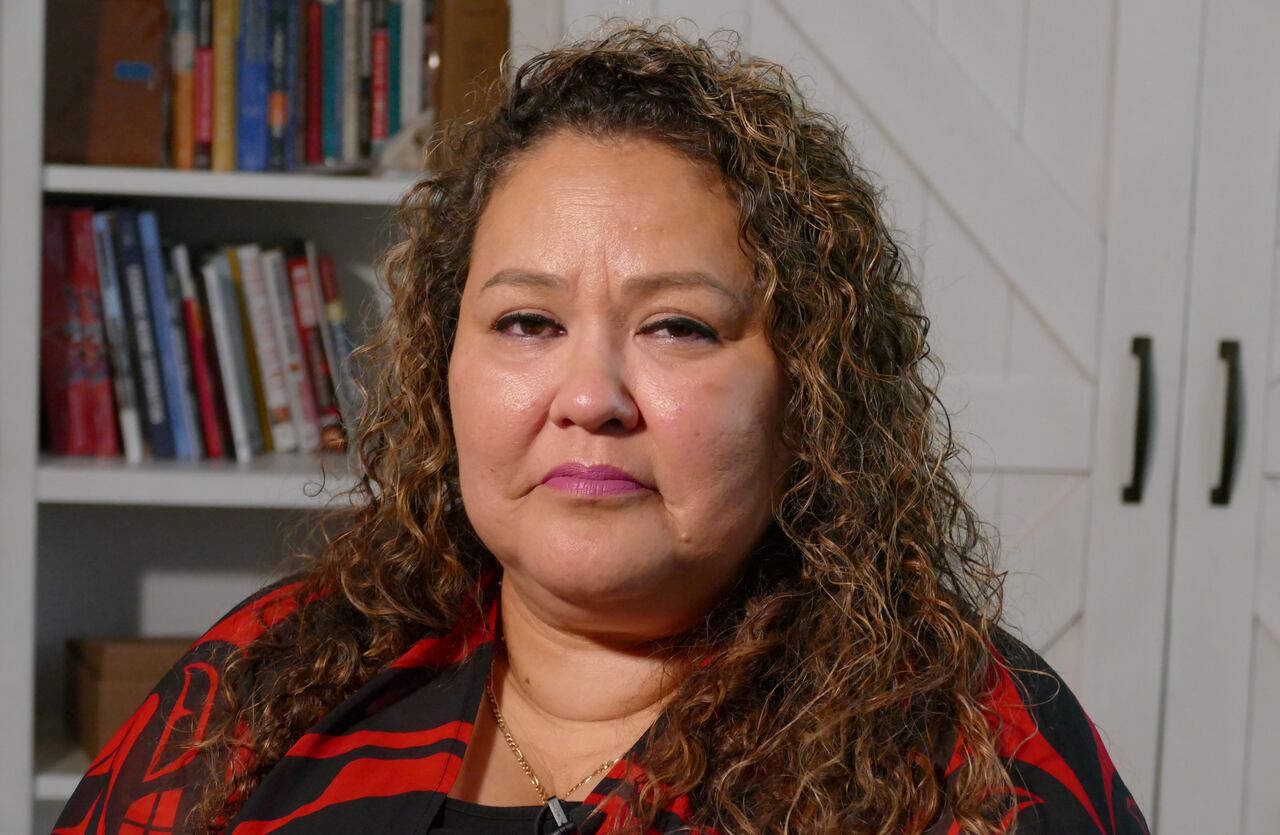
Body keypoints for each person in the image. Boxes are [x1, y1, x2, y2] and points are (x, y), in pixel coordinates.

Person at [54, 23, 1150, 835]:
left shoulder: (975, 748)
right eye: (527, 321)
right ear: (444, 370)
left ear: (809, 393)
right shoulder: (261, 685)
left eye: (677, 327)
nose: (590, 394)